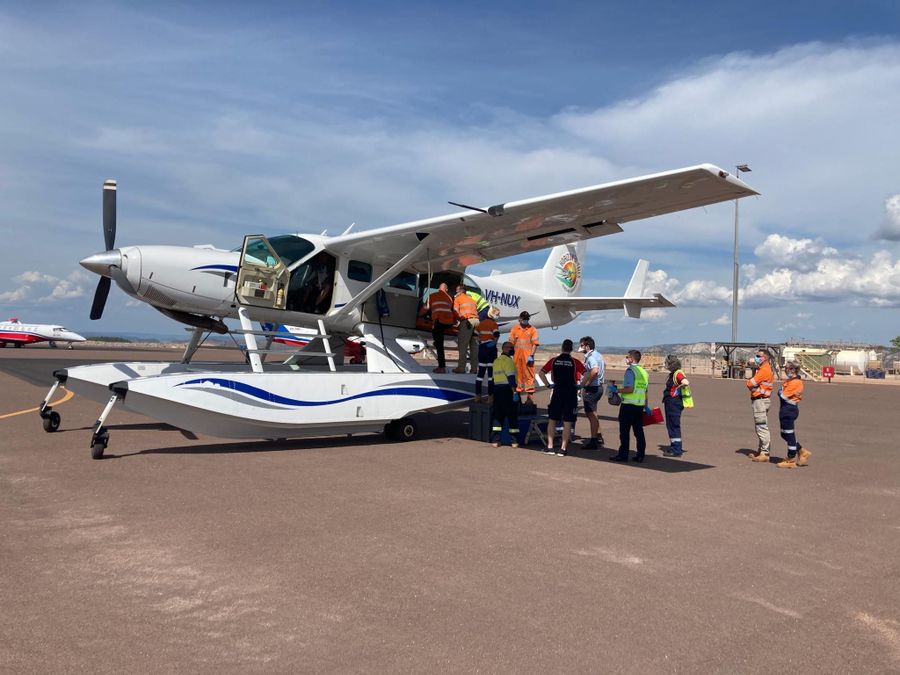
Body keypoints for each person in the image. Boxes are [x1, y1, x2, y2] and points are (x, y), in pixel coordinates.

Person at [542, 339, 581, 456]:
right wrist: (582, 385)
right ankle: (563, 448)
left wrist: (548, 385)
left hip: (557, 391)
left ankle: (550, 446)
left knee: (552, 419)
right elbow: (587, 373)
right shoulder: (575, 362)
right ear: (571, 349)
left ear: (562, 348)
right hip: (570, 392)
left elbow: (541, 373)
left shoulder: (554, 360)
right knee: (568, 421)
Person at [610, 349, 649, 463]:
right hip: (639, 405)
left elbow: (629, 389)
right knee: (639, 432)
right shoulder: (644, 372)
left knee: (624, 432)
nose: (626, 359)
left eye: (627, 357)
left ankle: (623, 455)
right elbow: (645, 391)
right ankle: (640, 455)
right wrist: (646, 406)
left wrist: (616, 390)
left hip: (628, 406)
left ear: (632, 359)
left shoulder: (630, 371)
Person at [776, 360, 812, 468]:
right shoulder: (790, 381)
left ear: (795, 369)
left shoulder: (795, 382)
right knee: (784, 434)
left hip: (789, 410)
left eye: (789, 368)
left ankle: (790, 458)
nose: (786, 370)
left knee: (789, 434)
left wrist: (780, 391)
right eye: (786, 368)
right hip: (785, 409)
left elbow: (783, 395)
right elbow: (781, 392)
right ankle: (801, 451)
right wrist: (781, 391)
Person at [746, 347, 775, 463]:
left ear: (765, 358)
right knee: (760, 425)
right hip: (760, 400)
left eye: (759, 356)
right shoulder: (762, 369)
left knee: (761, 427)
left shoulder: (764, 370)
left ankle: (765, 453)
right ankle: (761, 450)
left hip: (760, 401)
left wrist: (749, 382)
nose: (756, 358)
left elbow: (750, 383)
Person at [419, 282, 455, 373]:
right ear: (446, 289)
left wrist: (419, 315)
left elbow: (425, 308)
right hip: (449, 322)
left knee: (439, 344)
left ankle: (441, 367)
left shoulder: (432, 296)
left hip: (440, 321)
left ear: (438, 288)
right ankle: (436, 342)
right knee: (438, 338)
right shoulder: (449, 298)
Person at [490, 341, 520, 448]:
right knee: (512, 416)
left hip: (497, 391)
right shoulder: (508, 361)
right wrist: (515, 392)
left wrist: (491, 394)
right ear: (505, 348)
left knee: (497, 416)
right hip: (507, 391)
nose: (512, 349)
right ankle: (514, 441)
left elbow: (492, 379)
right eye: (511, 347)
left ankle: (495, 441)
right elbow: (511, 378)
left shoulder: (496, 361)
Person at [662, 354, 693, 457]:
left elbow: (685, 382)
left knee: (673, 425)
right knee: (671, 425)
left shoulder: (677, 373)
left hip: (674, 402)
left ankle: (676, 449)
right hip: (671, 402)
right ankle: (675, 446)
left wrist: (678, 387)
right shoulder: (674, 373)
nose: (665, 364)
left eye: (666, 363)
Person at [578, 336, 606, 449]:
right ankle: (598, 436)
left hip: (593, 388)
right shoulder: (598, 355)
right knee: (593, 413)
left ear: (587, 346)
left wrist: (587, 383)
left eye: (582, 345)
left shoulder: (591, 358)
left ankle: (594, 440)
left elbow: (594, 370)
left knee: (591, 415)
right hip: (598, 387)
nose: (580, 347)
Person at [509, 311, 540, 404]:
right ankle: (517, 397)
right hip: (517, 358)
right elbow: (511, 343)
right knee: (517, 377)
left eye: (527, 319)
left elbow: (535, 344)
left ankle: (529, 399)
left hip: (528, 359)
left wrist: (531, 355)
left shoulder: (533, 329)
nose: (526, 320)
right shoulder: (514, 329)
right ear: (520, 319)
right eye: (524, 318)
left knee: (529, 377)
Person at [474, 307, 500, 403]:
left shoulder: (481, 323)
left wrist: (479, 342)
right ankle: (490, 398)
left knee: (480, 375)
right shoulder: (493, 324)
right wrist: (494, 343)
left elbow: (475, 335)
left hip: (482, 349)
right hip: (490, 350)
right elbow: (496, 335)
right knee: (490, 376)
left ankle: (477, 396)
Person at [453, 284, 480, 373]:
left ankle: (461, 368)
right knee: (474, 347)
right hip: (476, 322)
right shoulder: (472, 299)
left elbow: (455, 311)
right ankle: (474, 369)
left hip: (467, 322)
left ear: (461, 291)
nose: (456, 292)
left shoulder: (458, 298)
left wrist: (457, 321)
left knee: (463, 345)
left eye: (457, 290)